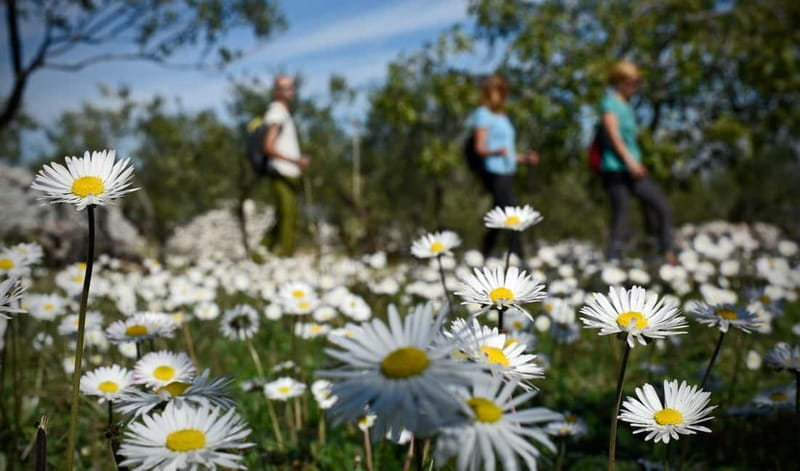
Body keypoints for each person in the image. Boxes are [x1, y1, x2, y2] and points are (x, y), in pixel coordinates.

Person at [598, 60, 676, 264]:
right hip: (616, 168)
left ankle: (666, 252)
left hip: (634, 167)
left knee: (661, 206)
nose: (635, 88)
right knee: (622, 215)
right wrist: (630, 161)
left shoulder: (626, 106)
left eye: (636, 83)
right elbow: (614, 136)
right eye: (632, 83)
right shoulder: (609, 103)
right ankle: (612, 262)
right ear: (619, 81)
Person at [468, 74, 539, 261]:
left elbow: (508, 151)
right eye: (500, 91)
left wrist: (524, 158)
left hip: (508, 170)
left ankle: (483, 253)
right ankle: (519, 257)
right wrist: (495, 152)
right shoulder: (482, 114)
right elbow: (480, 148)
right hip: (494, 170)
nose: (504, 95)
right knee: (510, 214)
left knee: (499, 213)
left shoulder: (503, 116)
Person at [262, 75, 310, 256]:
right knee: (288, 218)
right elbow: (268, 146)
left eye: (292, 87)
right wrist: (295, 160)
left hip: (288, 171)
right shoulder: (277, 114)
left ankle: (260, 255)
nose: (291, 91)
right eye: (286, 88)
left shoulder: (283, 113)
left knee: (284, 216)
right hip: (282, 171)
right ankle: (284, 259)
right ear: (277, 92)